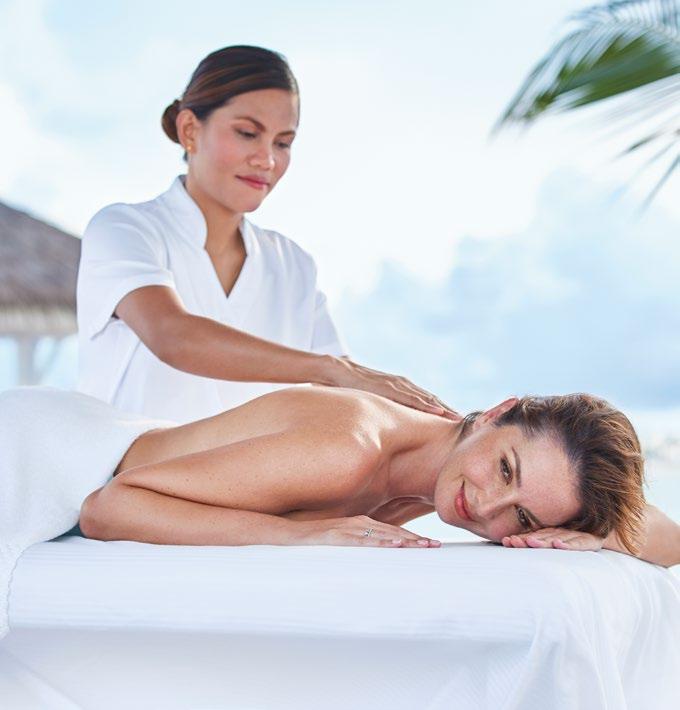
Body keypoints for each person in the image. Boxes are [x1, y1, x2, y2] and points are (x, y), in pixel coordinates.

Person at [76, 45, 455, 424]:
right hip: (126, 463)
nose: (267, 160)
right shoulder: (124, 229)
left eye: (283, 143)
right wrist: (328, 368)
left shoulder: (293, 265)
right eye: (247, 133)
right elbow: (171, 335)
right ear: (189, 130)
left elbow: (350, 396)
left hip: (258, 466)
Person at [78, 385, 680, 568]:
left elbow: (670, 541)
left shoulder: (430, 474)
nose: (487, 507)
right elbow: (107, 508)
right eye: (505, 469)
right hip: (66, 460)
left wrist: (595, 536)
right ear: (498, 411)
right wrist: (299, 535)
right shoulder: (347, 449)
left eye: (521, 516)